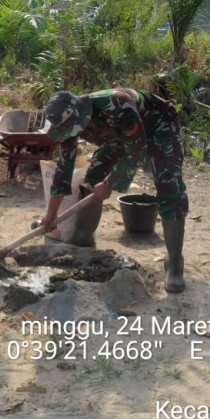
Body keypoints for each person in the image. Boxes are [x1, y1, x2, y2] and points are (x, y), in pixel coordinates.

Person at [41, 89, 189, 292]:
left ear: (82, 116)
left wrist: (110, 184)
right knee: (92, 179)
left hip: (158, 124)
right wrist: (51, 213)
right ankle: (83, 243)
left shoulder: (118, 105)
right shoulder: (68, 124)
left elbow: (137, 151)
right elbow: (63, 168)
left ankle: (174, 263)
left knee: (168, 182)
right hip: (120, 137)